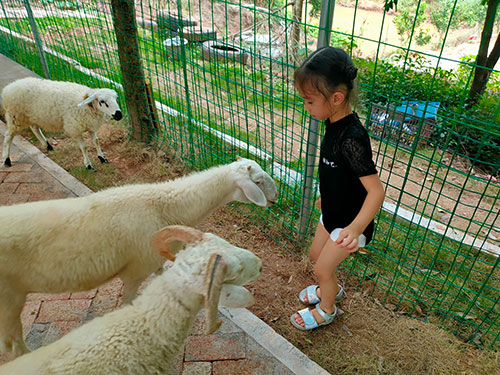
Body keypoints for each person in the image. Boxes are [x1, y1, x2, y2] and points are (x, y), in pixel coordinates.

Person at [291, 47, 385, 330]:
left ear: (336, 98)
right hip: (332, 211)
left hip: (349, 226)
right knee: (316, 257)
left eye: (308, 101)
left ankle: (327, 308)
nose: (305, 107)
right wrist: (326, 196)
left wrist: (356, 229)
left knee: (322, 268)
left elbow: (376, 192)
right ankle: (329, 288)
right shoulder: (332, 122)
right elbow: (338, 171)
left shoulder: (352, 138)